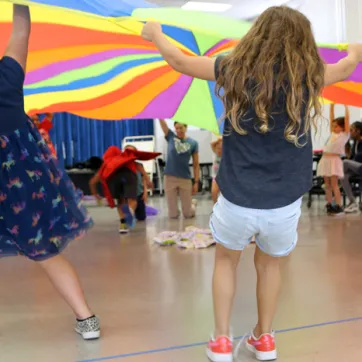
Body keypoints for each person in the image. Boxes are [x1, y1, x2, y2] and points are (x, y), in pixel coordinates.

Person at [141, 6, 362, 361]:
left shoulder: (233, 67)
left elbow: (181, 62)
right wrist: (355, 49)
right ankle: (265, 339)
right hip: (283, 203)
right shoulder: (310, 75)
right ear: (302, 43)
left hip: (237, 199)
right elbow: (349, 67)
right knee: (270, 265)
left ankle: (222, 342)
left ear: (257, 35)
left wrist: (156, 33)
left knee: (226, 263)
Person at [0, 5, 100, 339]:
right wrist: (20, 5)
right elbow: (20, 31)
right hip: (20, 187)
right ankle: (87, 320)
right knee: (47, 253)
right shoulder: (6, 78)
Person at [89, 145, 159, 233]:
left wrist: (96, 195)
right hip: (129, 180)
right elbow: (141, 170)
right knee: (132, 201)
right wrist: (148, 180)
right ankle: (129, 211)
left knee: (121, 202)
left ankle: (123, 224)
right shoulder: (130, 162)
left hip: (118, 181)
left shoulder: (107, 164)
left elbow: (92, 182)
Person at [159, 119, 200, 219]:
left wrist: (196, 182)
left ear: (186, 127)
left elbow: (196, 164)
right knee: (173, 215)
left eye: (181, 128)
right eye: (176, 128)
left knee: (188, 214)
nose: (178, 130)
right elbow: (163, 125)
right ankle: (180, 208)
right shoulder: (171, 137)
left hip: (185, 178)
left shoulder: (193, 143)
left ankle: (192, 204)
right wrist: (159, 114)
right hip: (169, 178)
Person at [317, 104, 349, 216]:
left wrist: (346, 108)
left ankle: (339, 205)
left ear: (343, 127)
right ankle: (329, 204)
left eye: (336, 126)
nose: (334, 128)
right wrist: (331, 106)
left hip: (334, 160)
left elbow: (347, 121)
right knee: (327, 185)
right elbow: (331, 119)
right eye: (333, 126)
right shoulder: (333, 134)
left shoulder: (344, 135)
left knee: (334, 184)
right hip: (325, 159)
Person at [342, 121, 362, 213]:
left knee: (345, 162)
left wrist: (351, 159)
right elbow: (353, 157)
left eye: (351, 130)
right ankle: (352, 201)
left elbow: (359, 157)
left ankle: (333, 181)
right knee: (343, 176)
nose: (350, 132)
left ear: (358, 131)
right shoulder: (355, 142)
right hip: (357, 167)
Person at [211, 137, 222, 204]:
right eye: (218, 148)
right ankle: (215, 205)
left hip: (225, 177)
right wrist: (219, 140)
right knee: (214, 191)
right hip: (215, 177)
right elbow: (212, 144)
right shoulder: (215, 153)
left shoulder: (226, 155)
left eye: (221, 149)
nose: (219, 151)